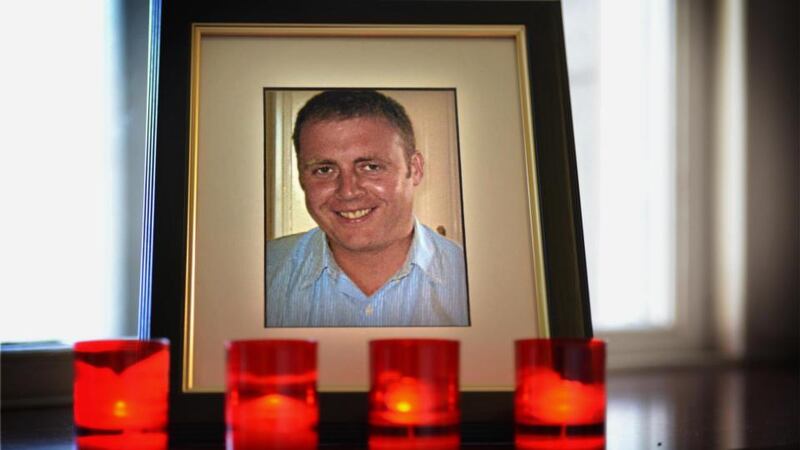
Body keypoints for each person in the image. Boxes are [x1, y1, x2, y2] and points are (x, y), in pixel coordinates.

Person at [266, 90, 469, 327]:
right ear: (302, 179)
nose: (348, 191)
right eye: (324, 170)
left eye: (371, 167)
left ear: (415, 169)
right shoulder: (257, 276)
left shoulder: (479, 283)